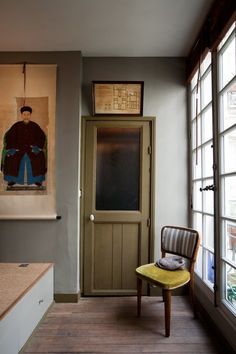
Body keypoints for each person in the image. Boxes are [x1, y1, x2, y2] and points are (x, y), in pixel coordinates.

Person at [1, 106, 47, 187]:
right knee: (11, 158)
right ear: (21, 115)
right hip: (19, 148)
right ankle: (12, 180)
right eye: (24, 114)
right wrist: (14, 147)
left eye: (28, 114)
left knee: (39, 157)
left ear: (30, 115)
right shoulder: (16, 125)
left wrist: (36, 147)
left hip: (31, 149)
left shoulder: (35, 126)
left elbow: (41, 137)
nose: (26, 116)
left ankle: (37, 180)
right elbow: (9, 137)